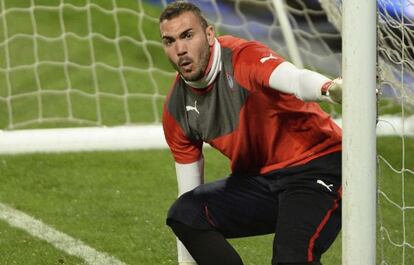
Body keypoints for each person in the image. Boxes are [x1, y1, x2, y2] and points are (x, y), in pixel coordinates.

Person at [159, 2, 343, 265]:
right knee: (184, 213)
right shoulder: (177, 111)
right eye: (169, 41)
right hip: (260, 183)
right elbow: (189, 195)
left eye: (188, 36)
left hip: (316, 168)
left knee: (291, 259)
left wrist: (328, 88)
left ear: (209, 35)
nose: (180, 49)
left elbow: (294, 79)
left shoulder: (242, 57)